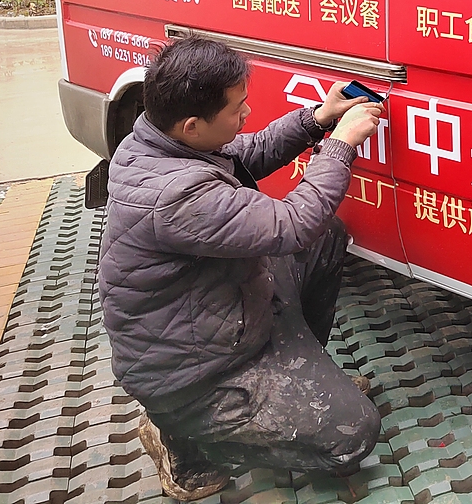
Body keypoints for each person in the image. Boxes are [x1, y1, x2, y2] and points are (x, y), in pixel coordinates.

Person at [97, 36, 385, 501]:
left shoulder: (159, 140)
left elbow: (248, 152)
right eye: (237, 109)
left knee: (325, 237)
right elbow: (293, 223)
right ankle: (183, 438)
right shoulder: (174, 194)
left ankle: (302, 382)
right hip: (194, 374)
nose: (246, 114)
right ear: (193, 126)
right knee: (353, 433)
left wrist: (318, 119)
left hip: (222, 316)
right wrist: (340, 145)